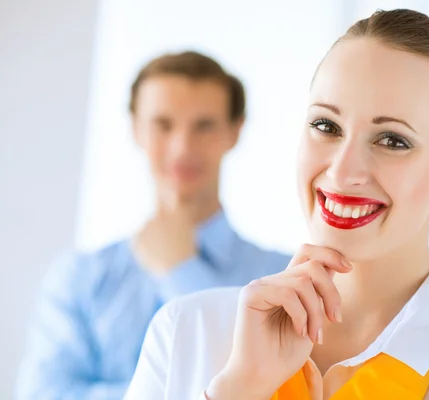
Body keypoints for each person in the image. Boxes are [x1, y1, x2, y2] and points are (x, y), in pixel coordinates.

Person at [125, 10, 429, 400]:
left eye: (392, 140)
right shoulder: (185, 330)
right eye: (326, 125)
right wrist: (239, 388)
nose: (342, 171)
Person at [15, 51, 291, 399]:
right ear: (135, 129)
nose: (182, 147)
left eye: (204, 126)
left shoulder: (284, 276)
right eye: (163, 124)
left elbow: (276, 388)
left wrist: (181, 272)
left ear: (235, 131)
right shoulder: (79, 278)